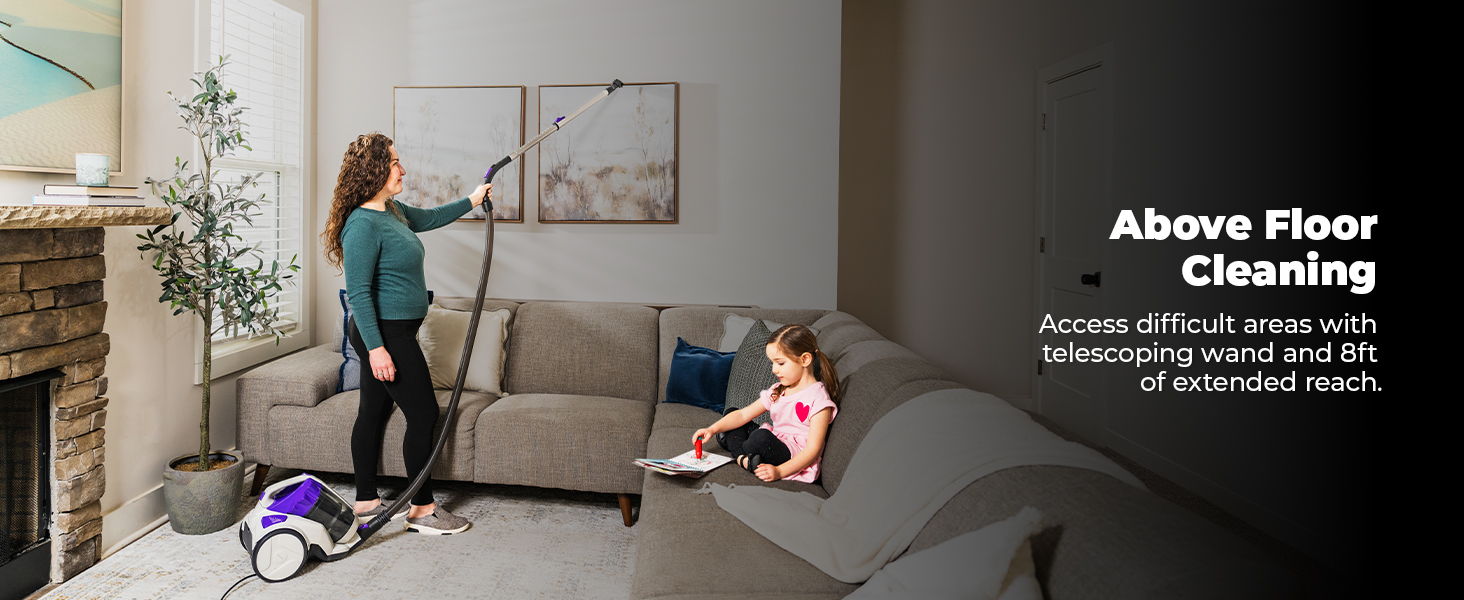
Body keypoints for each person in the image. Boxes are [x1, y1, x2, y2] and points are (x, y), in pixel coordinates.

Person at [320, 132, 491, 535]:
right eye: (395, 162)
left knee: (373, 412)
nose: (403, 169)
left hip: (395, 332)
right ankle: (422, 509)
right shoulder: (361, 225)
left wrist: (472, 199)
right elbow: (359, 292)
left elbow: (429, 218)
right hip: (385, 335)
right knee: (425, 412)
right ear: (375, 169)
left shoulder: (391, 211)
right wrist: (377, 350)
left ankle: (365, 502)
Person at [692, 324, 840, 483]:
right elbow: (743, 414)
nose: (774, 370)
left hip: (791, 455)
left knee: (760, 437)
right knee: (732, 413)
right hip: (773, 438)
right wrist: (712, 429)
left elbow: (813, 450)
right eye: (772, 363)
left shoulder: (818, 400)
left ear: (805, 359)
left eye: (780, 363)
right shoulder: (778, 390)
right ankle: (745, 458)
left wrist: (779, 471)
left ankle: (738, 452)